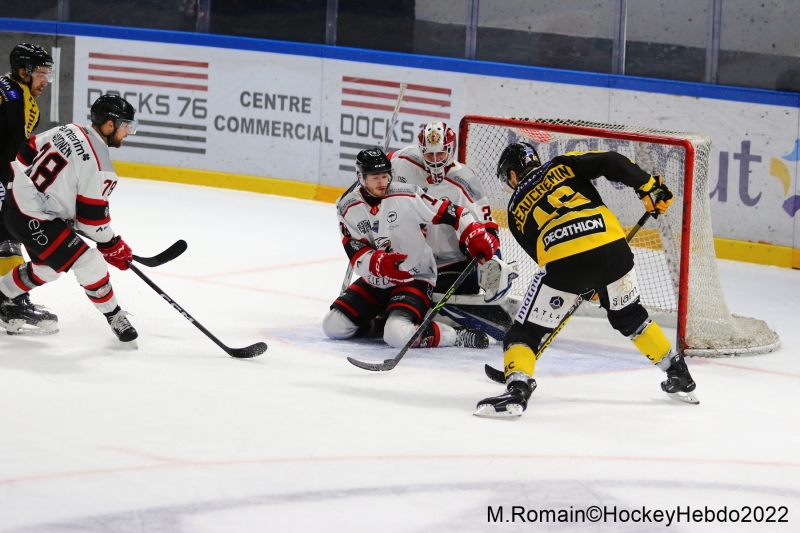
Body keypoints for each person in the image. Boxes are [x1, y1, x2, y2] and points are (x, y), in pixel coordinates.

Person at [475, 142, 698, 418]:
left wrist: (580, 282)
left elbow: (543, 257)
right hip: (613, 248)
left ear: (512, 174)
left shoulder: (514, 208)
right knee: (630, 317)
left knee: (525, 333)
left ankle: (518, 388)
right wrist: (647, 185)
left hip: (564, 260)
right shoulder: (561, 163)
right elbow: (611, 161)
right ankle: (676, 372)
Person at [323, 148, 499, 350]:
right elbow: (356, 252)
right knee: (333, 326)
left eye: (385, 176)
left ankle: (455, 335)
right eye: (375, 178)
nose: (383, 183)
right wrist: (379, 264)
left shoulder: (407, 195)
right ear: (361, 178)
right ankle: (374, 323)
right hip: (377, 280)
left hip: (414, 276)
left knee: (396, 335)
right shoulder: (347, 207)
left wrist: (473, 233)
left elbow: (455, 213)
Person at [0, 94, 139, 345]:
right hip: (34, 219)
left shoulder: (69, 129)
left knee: (49, 266)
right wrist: (112, 244)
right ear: (109, 125)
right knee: (90, 261)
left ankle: (2, 295)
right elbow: (91, 222)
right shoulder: (101, 167)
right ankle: (115, 316)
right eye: (126, 125)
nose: (128, 132)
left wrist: (40, 197)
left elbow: (26, 150)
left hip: (14, 203)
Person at [390, 121, 518, 337]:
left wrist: (493, 263)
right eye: (429, 155)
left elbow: (488, 229)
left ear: (451, 149)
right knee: (390, 292)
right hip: (413, 259)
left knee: (417, 299)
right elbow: (380, 172)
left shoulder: (465, 180)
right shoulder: (403, 160)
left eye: (440, 154)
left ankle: (465, 322)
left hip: (451, 265)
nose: (435, 160)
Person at [0, 43, 57, 331]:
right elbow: (13, 153)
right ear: (24, 72)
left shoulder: (9, 89)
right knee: (6, 232)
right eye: (41, 74)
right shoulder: (15, 98)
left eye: (49, 73)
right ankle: (12, 304)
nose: (45, 81)